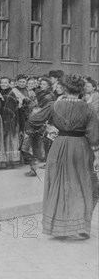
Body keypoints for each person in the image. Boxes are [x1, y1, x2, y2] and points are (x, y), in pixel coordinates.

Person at [29, 74, 99, 239]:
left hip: (59, 145)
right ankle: (79, 226)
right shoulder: (89, 108)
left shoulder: (55, 105)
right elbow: (94, 135)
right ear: (82, 90)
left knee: (59, 183)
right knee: (81, 184)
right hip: (81, 146)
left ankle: (58, 226)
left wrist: (50, 128)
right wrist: (96, 155)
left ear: (65, 89)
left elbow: (34, 119)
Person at [0, 77, 22, 168]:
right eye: (2, 83)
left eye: (6, 83)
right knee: (5, 141)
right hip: (3, 118)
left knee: (10, 140)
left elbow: (9, 110)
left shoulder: (10, 93)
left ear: (9, 83)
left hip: (9, 119)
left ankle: (11, 162)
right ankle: (5, 161)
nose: (3, 84)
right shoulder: (1, 92)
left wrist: (6, 121)